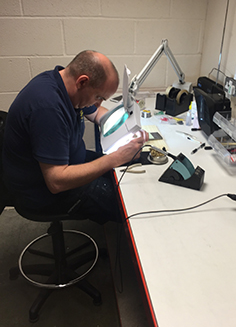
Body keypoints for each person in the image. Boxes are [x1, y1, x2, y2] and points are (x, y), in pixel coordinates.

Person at [2, 50, 148, 224]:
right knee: (130, 205)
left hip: (69, 162)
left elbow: (97, 114)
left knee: (132, 164)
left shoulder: (66, 84)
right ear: (83, 82)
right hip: (42, 192)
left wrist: (124, 126)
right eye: (99, 97)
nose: (99, 103)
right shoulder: (48, 108)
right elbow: (56, 182)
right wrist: (114, 158)